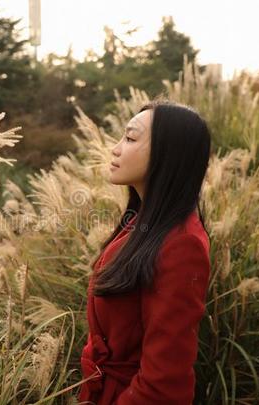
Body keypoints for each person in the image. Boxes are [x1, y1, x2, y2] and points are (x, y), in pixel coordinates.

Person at [78, 98, 212, 404]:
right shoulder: (143, 222)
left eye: (130, 137)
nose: (115, 148)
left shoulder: (182, 244)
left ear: (168, 153)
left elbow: (165, 382)